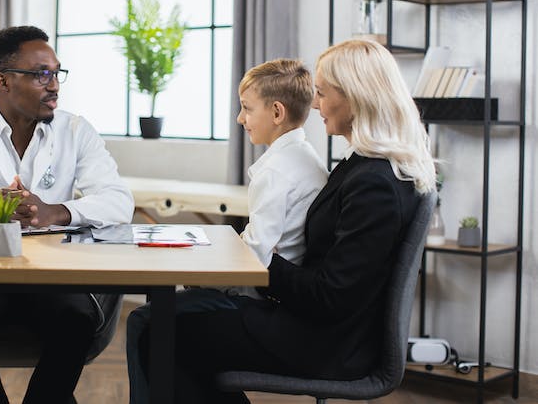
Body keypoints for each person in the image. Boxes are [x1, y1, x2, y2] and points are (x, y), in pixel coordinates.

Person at [127, 39, 436, 403]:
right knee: (167, 334)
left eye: (322, 94)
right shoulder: (363, 168)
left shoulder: (374, 183)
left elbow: (330, 298)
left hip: (324, 343)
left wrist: (262, 259)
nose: (315, 104)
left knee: (155, 331)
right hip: (314, 328)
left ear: (356, 97)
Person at [0, 25, 134, 404]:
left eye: (56, 72)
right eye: (40, 74)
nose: (54, 85)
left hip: (53, 276)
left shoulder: (75, 131)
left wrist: (55, 212)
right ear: (5, 81)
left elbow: (118, 201)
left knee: (76, 319)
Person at [126, 58, 327, 402]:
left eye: (247, 109)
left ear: (277, 113)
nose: (240, 118)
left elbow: (254, 257)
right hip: (275, 298)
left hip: (258, 302)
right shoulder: (306, 158)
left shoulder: (277, 171)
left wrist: (203, 278)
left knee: (143, 321)